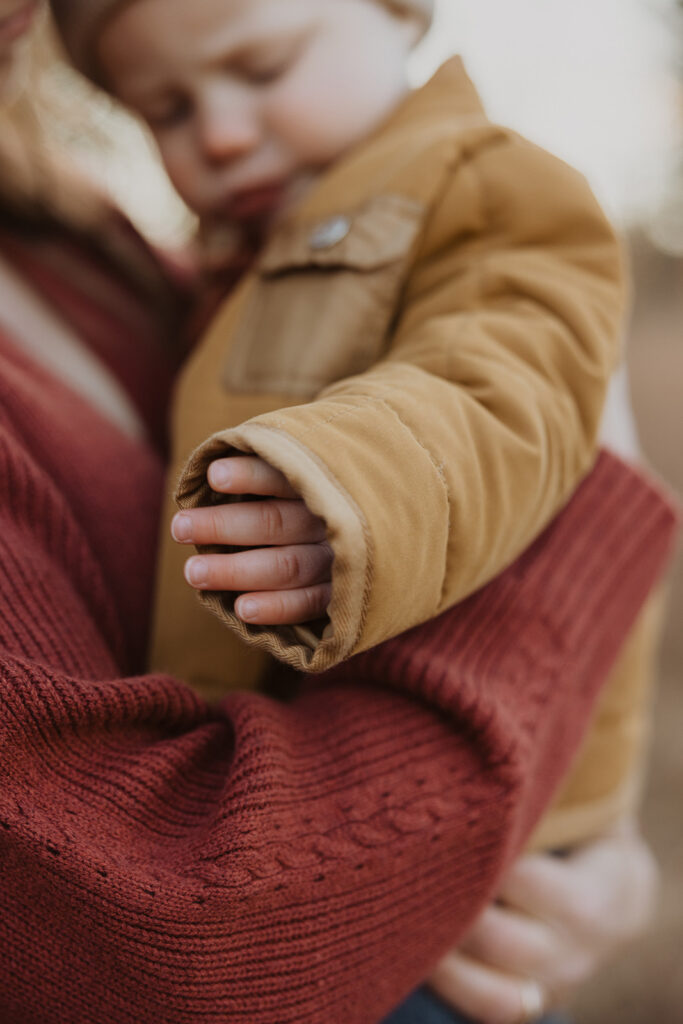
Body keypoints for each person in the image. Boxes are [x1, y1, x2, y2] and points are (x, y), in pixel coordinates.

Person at [0, 5, 676, 1023]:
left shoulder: (481, 185)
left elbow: (493, 393)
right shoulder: (250, 247)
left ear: (396, 11)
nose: (220, 132)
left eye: (262, 65)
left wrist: (341, 505)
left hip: (462, 874)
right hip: (327, 893)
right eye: (167, 109)